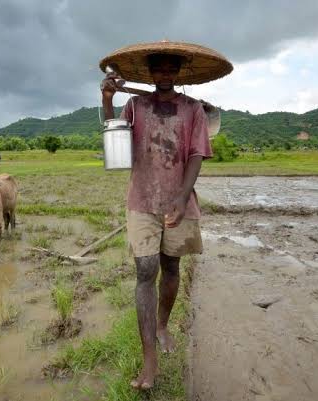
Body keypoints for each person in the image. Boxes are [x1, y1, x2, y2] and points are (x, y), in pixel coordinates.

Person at [101, 53, 213, 390]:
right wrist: (107, 101)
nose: (165, 73)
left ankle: (162, 324)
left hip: (178, 201)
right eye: (158, 68)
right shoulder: (135, 105)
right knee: (146, 269)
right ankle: (150, 359)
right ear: (149, 72)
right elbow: (115, 139)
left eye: (171, 67)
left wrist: (181, 197)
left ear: (179, 72)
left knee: (171, 267)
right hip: (141, 201)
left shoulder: (194, 109)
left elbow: (196, 154)